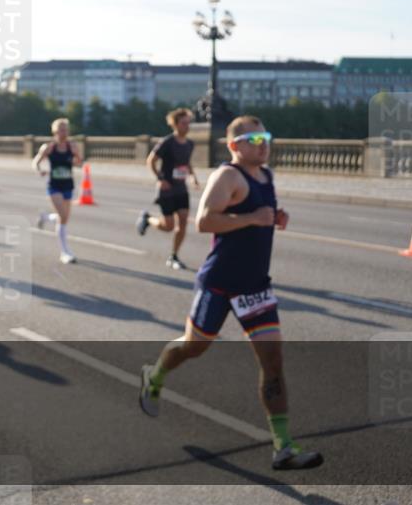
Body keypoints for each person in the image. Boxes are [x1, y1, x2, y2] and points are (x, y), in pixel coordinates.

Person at [138, 116, 323, 471]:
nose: (263, 144)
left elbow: (255, 217)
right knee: (194, 346)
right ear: (235, 145)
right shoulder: (227, 176)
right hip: (219, 283)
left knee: (273, 362)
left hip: (255, 285)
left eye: (266, 136)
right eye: (254, 138)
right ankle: (156, 373)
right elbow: (205, 221)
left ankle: (283, 447)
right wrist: (253, 218)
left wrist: (273, 217)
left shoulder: (266, 176)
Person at [136, 108, 200, 270]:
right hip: (167, 190)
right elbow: (151, 160)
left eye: (188, 123)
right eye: (184, 123)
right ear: (175, 124)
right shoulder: (167, 142)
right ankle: (148, 219)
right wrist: (160, 178)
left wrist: (193, 177)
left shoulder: (190, 144)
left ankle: (174, 255)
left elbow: (186, 164)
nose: (187, 126)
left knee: (183, 221)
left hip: (181, 189)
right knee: (168, 226)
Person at [33, 118, 82, 264]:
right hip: (54, 186)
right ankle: (65, 252)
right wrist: (39, 170)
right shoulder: (49, 148)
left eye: (66, 129)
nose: (64, 132)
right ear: (55, 131)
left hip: (68, 185)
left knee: (65, 218)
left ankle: (46, 218)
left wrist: (76, 159)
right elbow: (35, 162)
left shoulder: (72, 146)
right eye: (61, 130)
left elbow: (80, 163)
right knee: (62, 217)